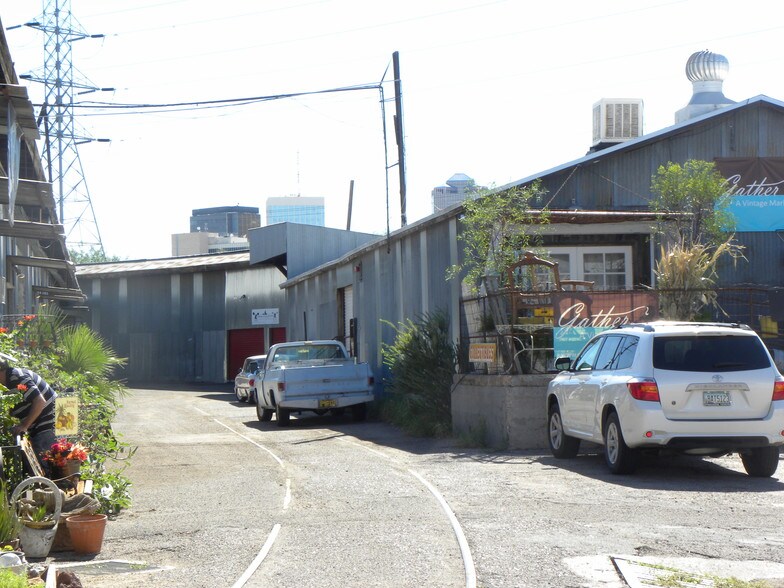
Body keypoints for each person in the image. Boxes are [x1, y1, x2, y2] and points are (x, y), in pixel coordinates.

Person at [0, 355, 57, 476]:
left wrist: (24, 425)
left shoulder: (17, 378)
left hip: (49, 420)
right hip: (39, 422)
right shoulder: (6, 385)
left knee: (45, 461)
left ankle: (51, 488)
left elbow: (39, 401)